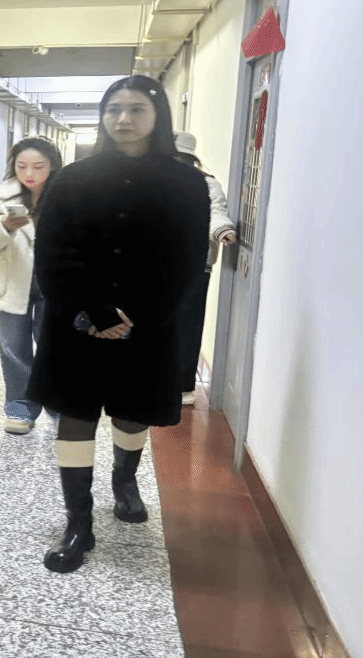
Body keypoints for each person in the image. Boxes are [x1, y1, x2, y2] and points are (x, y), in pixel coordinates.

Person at [27, 76, 209, 574]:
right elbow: (53, 251)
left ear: (158, 116)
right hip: (77, 323)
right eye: (113, 109)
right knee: (76, 414)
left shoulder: (187, 182)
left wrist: (139, 317)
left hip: (149, 323)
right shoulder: (72, 179)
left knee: (132, 411)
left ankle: (124, 482)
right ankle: (78, 522)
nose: (123, 119)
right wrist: (92, 313)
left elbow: (187, 260)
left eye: (136, 110)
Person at [0, 138, 64, 435]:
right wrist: (3, 226)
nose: (29, 173)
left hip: (54, 282)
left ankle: (58, 406)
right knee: (13, 348)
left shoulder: (67, 195)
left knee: (54, 347)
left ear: (52, 166)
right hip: (9, 282)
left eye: (38, 166)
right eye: (22, 166)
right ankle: (20, 409)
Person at [172, 131, 237, 405]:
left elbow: (216, 211)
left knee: (188, 324)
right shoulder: (156, 182)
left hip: (195, 265)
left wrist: (223, 230)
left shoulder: (207, 184)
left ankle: (183, 386)